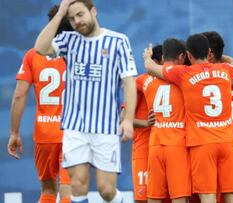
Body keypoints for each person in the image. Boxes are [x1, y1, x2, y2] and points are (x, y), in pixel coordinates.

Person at [34, 0, 138, 202]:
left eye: (80, 15)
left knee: (106, 190)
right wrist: (60, 13)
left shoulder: (118, 41)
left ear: (94, 11)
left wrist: (128, 120)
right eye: (72, 18)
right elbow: (40, 48)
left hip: (105, 128)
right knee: (78, 187)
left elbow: (129, 82)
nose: (76, 21)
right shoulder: (68, 40)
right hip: (75, 128)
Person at [143, 33, 233, 203]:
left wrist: (147, 57)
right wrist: (220, 56)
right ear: (209, 52)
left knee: (207, 195)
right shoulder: (225, 70)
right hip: (227, 141)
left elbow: (151, 68)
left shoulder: (184, 73)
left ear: (188, 55)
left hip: (202, 142)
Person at [7, 5, 73, 203]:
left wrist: (14, 133)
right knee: (70, 190)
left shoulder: (32, 55)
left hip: (44, 134)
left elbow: (19, 95)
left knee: (48, 190)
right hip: (71, 132)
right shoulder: (78, 53)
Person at [138, 38, 191, 203]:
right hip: (178, 145)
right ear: (182, 56)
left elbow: (128, 87)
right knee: (179, 197)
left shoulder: (144, 79)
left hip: (155, 144)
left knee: (154, 197)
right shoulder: (185, 75)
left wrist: (147, 58)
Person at [202, 31, 233, 203]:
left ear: (208, 54)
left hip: (205, 144)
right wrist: (225, 57)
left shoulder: (199, 77)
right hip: (230, 142)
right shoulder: (232, 76)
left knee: (207, 194)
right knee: (231, 193)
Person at [128, 44, 162, 203]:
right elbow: (124, 118)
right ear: (155, 61)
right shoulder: (141, 83)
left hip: (164, 151)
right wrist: (146, 123)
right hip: (143, 150)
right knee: (142, 199)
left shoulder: (172, 81)